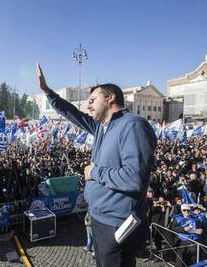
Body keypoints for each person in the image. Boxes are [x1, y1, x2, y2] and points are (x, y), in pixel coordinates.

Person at [36, 63, 157, 267]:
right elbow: (72, 113)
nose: (88, 105)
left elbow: (134, 178)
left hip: (117, 222)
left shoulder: (132, 125)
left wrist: (95, 172)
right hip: (100, 218)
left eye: (92, 100)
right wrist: (48, 93)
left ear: (110, 98)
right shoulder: (102, 126)